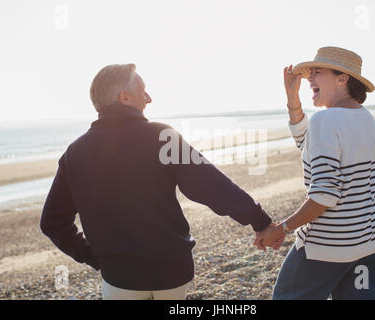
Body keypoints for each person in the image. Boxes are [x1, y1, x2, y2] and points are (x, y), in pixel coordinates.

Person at [40, 63, 283, 300]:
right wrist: (261, 223)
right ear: (125, 97)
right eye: (143, 91)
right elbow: (213, 187)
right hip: (171, 273)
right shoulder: (162, 137)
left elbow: (52, 222)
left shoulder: (75, 152)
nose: (149, 98)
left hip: (119, 278)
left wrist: (93, 256)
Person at [255, 47, 375, 300]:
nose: (309, 79)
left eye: (317, 72)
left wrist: (282, 228)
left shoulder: (325, 121)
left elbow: (325, 195)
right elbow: (306, 141)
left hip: (328, 247)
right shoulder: (365, 117)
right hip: (370, 241)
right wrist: (292, 98)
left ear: (342, 78)